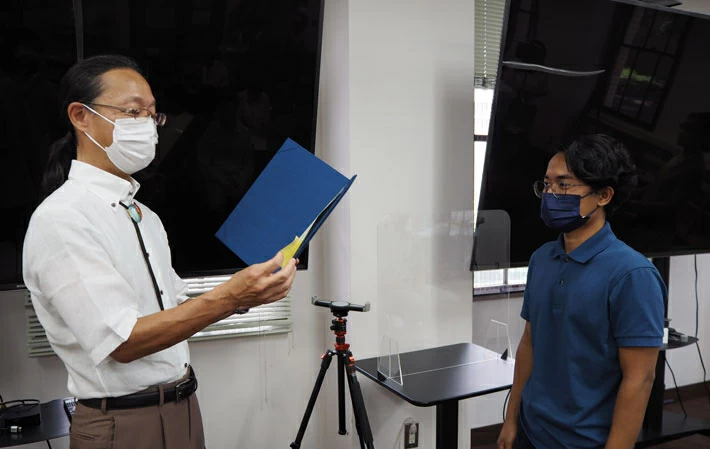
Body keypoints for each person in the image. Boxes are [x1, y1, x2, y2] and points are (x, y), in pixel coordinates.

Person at [22, 54, 297, 449]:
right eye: (133, 112)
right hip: (121, 423)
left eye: (153, 115)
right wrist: (229, 296)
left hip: (183, 408)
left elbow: (172, 315)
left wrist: (247, 295)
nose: (148, 126)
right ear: (80, 117)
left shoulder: (143, 214)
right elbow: (123, 342)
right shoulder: (63, 220)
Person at [497, 134, 666, 449]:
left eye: (564, 185)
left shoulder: (633, 275)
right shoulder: (542, 258)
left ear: (603, 195)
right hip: (531, 432)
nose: (551, 194)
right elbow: (529, 344)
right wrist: (511, 419)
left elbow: (640, 379)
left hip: (587, 440)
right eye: (546, 184)